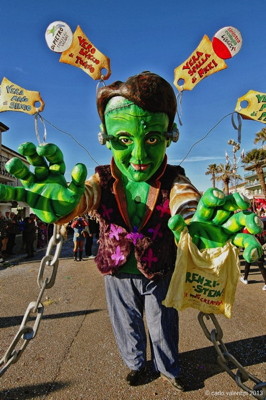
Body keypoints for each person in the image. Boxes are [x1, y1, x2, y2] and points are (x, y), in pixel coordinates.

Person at [0, 71, 263, 392]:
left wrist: (197, 223)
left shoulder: (174, 178)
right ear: (106, 136)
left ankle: (168, 368)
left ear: (170, 135)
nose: (139, 156)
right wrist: (59, 204)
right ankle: (137, 365)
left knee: (163, 323)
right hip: (117, 268)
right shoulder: (101, 179)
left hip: (159, 268)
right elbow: (78, 200)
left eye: (152, 138)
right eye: (124, 140)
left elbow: (187, 202)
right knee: (126, 323)